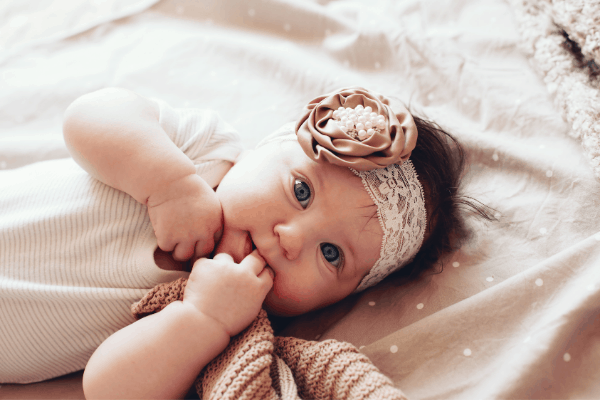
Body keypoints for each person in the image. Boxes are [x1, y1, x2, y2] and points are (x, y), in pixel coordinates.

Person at [0, 87, 489, 398]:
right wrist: (167, 184)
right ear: (263, 150)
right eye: (300, 191)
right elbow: (88, 115)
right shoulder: (204, 154)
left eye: (331, 254)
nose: (292, 240)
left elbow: (108, 389)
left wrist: (201, 319)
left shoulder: (234, 330)